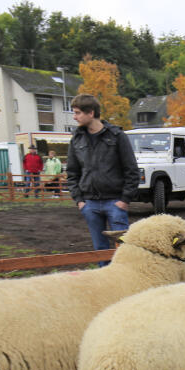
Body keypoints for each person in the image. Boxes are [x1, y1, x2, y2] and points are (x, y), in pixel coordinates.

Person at [66, 93, 139, 265]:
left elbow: (131, 170)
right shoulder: (76, 139)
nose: (74, 117)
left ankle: (127, 282)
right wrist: (79, 201)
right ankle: (105, 286)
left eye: (77, 113)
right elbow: (72, 172)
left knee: (124, 248)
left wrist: (124, 200)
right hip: (89, 204)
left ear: (90, 113)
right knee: (100, 251)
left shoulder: (117, 136)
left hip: (115, 203)